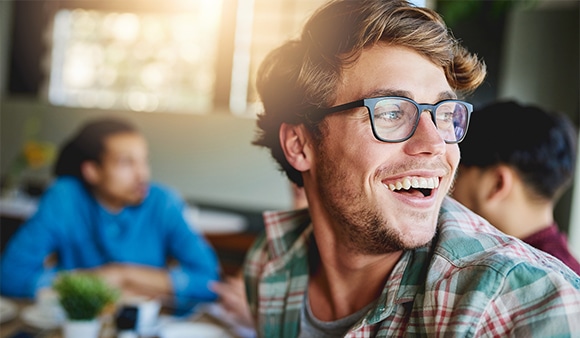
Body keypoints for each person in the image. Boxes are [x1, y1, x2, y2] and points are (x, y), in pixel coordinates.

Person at [214, 0, 580, 336]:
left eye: (444, 113)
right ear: (300, 144)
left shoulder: (517, 304)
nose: (436, 144)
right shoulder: (270, 264)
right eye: (390, 112)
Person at [0, 118, 220, 313]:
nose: (142, 174)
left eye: (145, 161)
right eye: (126, 162)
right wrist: (104, 279)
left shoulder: (163, 202)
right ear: (92, 171)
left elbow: (210, 281)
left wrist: (124, 274)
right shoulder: (64, 197)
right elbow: (10, 277)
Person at [452, 100, 580, 274]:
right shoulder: (568, 270)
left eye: (458, 173)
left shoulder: (513, 275)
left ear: (497, 184)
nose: (449, 187)